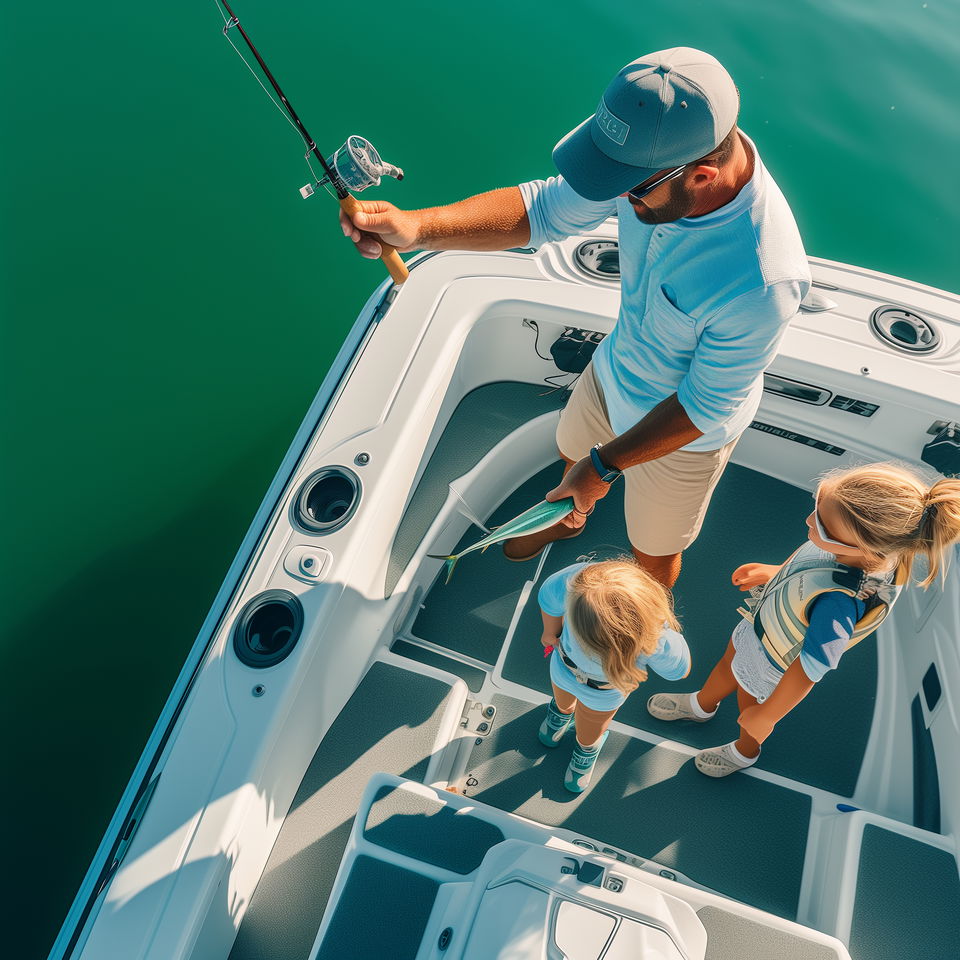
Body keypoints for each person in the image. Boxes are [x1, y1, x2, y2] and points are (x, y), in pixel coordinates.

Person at [341, 47, 811, 587]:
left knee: (654, 551)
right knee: (570, 457)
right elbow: (544, 210)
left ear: (702, 176)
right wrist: (417, 227)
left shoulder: (762, 281)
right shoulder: (659, 161)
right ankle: (567, 518)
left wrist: (605, 466)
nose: (611, 195)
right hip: (612, 373)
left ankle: (646, 613)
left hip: (685, 432)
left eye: (626, 187)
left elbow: (704, 407)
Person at [647, 463, 960, 777]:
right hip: (758, 627)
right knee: (728, 663)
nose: (810, 520)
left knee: (749, 706)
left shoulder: (840, 602)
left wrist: (767, 715)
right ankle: (701, 706)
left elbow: (812, 666)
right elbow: (814, 568)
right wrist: (775, 572)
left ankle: (744, 751)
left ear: (863, 546)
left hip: (772, 662)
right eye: (817, 506)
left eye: (822, 526)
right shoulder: (861, 547)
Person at [537, 558, 690, 792]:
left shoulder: (576, 585)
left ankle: (587, 747)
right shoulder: (655, 636)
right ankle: (562, 712)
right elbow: (680, 671)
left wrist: (550, 632)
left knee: (588, 730)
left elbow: (549, 595)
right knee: (563, 702)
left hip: (595, 689)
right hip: (569, 671)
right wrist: (550, 632)